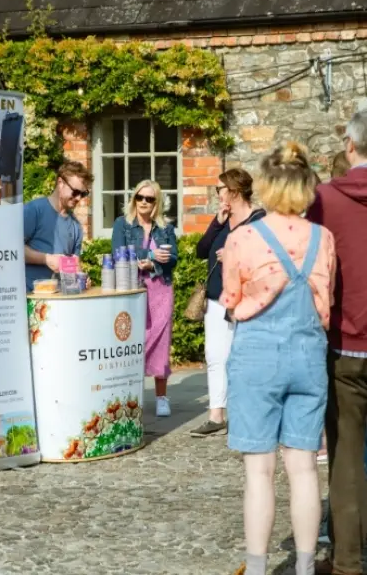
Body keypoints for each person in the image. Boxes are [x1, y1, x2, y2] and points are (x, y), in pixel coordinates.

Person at [223, 142, 336, 575]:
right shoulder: (323, 238)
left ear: (266, 186)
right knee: (304, 467)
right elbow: (325, 304)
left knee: (260, 471)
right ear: (307, 187)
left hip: (258, 354)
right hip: (308, 353)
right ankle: (305, 567)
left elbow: (231, 299)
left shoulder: (244, 236)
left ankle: (256, 568)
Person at [306, 112, 367, 575]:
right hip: (345, 342)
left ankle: (348, 562)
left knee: (345, 455)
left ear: (350, 145)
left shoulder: (324, 199)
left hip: (345, 344)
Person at [190, 168, 265, 438]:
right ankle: (216, 415)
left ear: (233, 192)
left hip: (244, 301)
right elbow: (201, 251)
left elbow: (266, 262)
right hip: (215, 298)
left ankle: (246, 414)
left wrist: (235, 254)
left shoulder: (258, 221)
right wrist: (217, 224)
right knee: (215, 356)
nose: (217, 194)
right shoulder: (223, 220)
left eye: (219, 189)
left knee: (243, 358)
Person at [111, 180, 177, 418]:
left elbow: (174, 257)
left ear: (156, 202)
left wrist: (156, 262)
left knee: (160, 342)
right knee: (133, 341)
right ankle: (131, 396)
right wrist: (150, 254)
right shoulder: (123, 224)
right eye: (140, 197)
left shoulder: (165, 228)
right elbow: (118, 250)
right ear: (134, 199)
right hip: (132, 287)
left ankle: (161, 397)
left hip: (160, 288)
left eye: (150, 199)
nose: (144, 203)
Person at [23, 161, 93, 292]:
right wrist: (46, 259)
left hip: (60, 302)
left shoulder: (76, 226)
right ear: (60, 183)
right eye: (75, 192)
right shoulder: (34, 210)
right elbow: (11, 251)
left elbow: (75, 265)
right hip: (29, 298)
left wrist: (82, 278)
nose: (78, 198)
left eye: (83, 194)